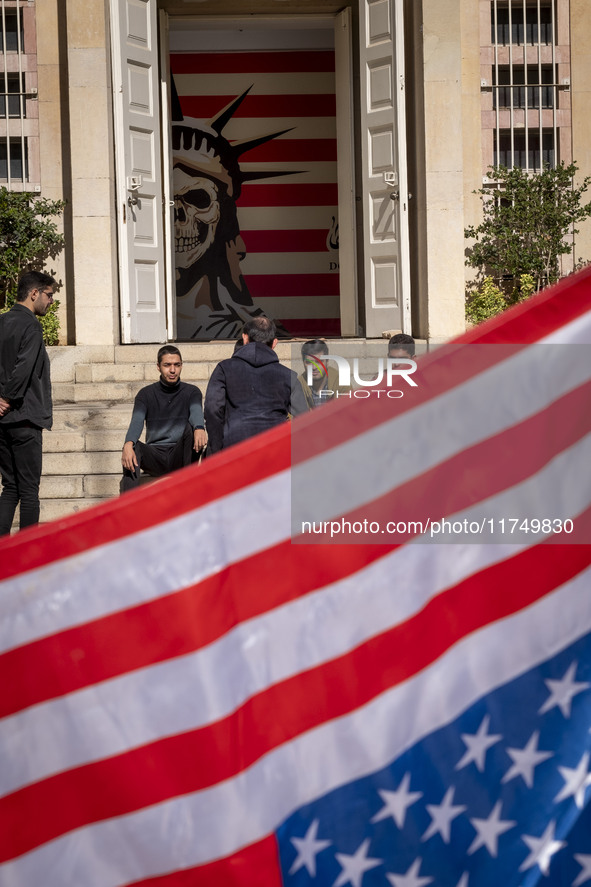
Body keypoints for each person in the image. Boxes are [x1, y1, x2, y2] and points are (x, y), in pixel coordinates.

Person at [0, 270, 56, 534]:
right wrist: (6, 397)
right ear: (34, 293)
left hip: (3, 421)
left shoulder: (1, 322)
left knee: (10, 487)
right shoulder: (32, 325)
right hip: (24, 416)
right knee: (29, 491)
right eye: (49, 295)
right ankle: (26, 557)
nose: (51, 301)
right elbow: (23, 368)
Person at [204, 317, 308, 454]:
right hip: (276, 448)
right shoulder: (289, 376)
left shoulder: (224, 369)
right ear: (275, 343)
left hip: (234, 448)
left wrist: (217, 448)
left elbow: (213, 409)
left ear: (245, 338)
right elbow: (304, 418)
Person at [121, 346, 207, 492]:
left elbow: (196, 412)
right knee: (132, 447)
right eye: (167, 365)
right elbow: (137, 421)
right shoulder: (145, 394)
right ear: (158, 367)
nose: (172, 370)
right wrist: (128, 444)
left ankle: (188, 488)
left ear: (181, 366)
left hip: (181, 455)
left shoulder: (192, 392)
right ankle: (127, 507)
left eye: (177, 365)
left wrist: (199, 427)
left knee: (192, 429)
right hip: (155, 457)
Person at [298, 338, 349, 408]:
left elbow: (350, 414)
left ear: (327, 362)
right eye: (309, 362)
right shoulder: (298, 387)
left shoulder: (341, 384)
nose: (314, 367)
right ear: (303, 364)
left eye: (319, 362)